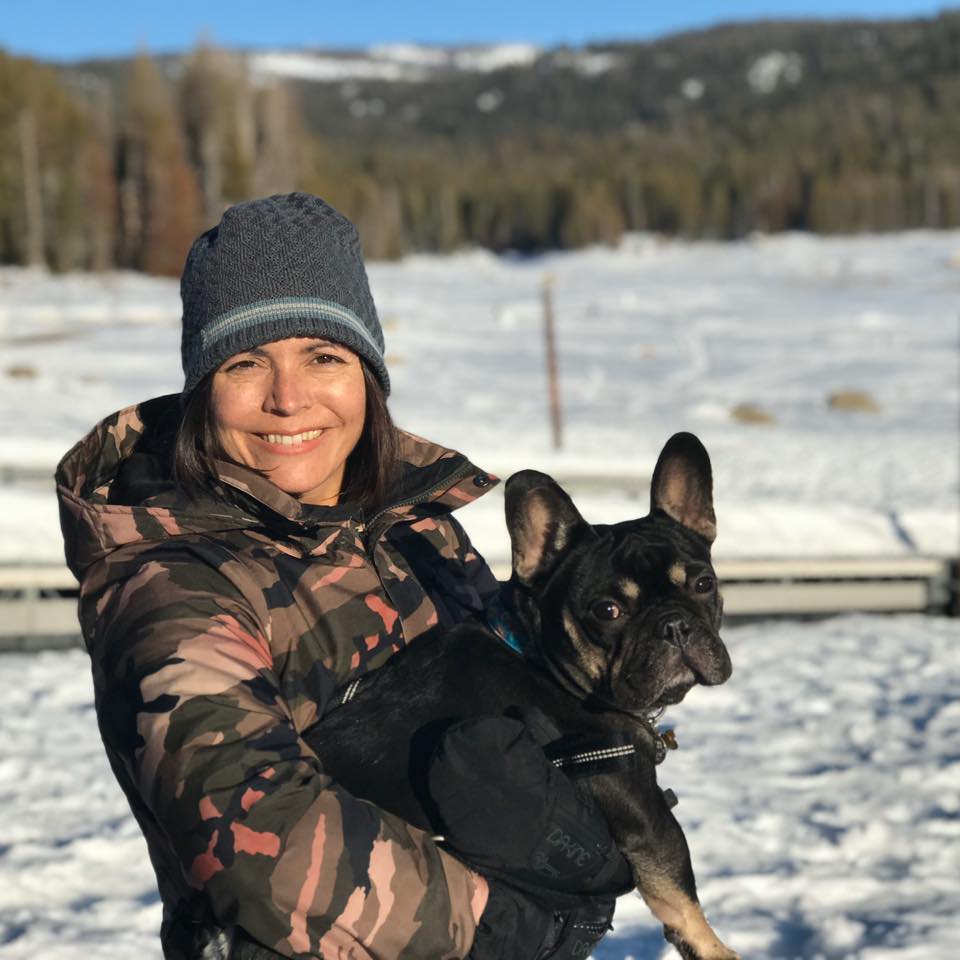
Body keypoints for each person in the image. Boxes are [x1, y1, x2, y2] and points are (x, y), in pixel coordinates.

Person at [56, 193, 628, 959]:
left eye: (323, 356)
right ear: (204, 388)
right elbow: (255, 830)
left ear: (367, 374)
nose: (288, 398)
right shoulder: (173, 584)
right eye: (246, 361)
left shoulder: (419, 528)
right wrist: (496, 923)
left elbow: (515, 688)